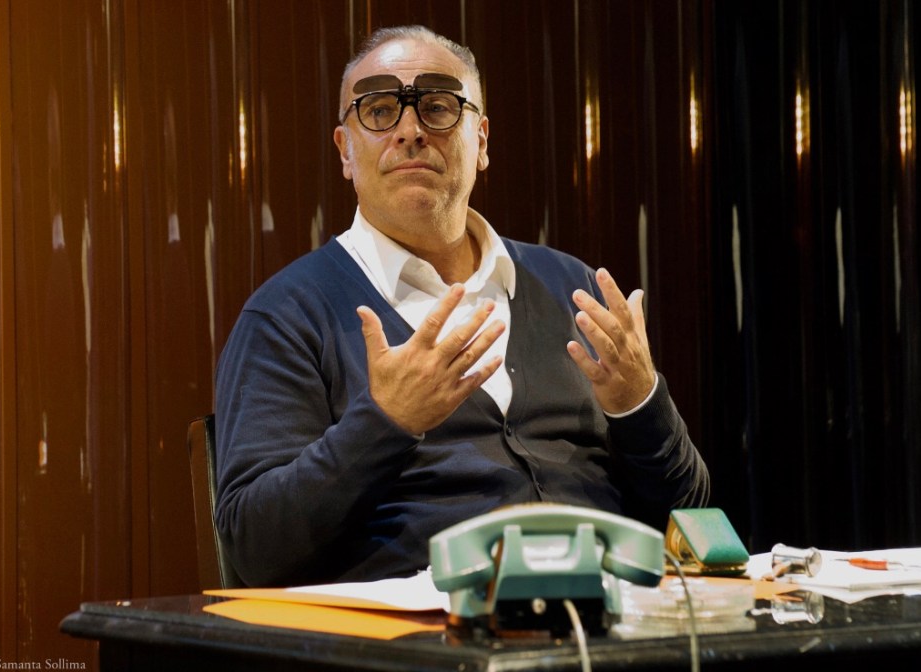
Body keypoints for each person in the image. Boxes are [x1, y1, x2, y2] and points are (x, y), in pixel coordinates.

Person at [213, 24, 710, 588]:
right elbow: (254, 548)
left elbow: (689, 518)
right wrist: (385, 422)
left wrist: (640, 406)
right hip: (418, 624)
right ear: (345, 150)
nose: (409, 131)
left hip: (614, 607)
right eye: (379, 111)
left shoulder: (571, 288)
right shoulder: (287, 315)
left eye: (437, 107)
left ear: (483, 140)